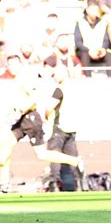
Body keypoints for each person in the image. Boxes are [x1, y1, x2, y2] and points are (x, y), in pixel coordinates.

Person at [0, 71, 85, 192]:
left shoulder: (25, 79)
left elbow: (33, 99)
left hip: (30, 120)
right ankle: (4, 184)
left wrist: (20, 111)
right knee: (5, 149)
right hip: (22, 120)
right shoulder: (19, 80)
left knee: (42, 154)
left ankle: (75, 161)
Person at [44, 60, 84, 191]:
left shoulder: (60, 89)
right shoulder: (75, 87)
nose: (54, 76)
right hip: (72, 128)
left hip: (59, 127)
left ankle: (54, 183)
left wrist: (46, 117)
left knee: (54, 155)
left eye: (55, 73)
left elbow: (49, 107)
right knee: (72, 157)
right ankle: (79, 184)